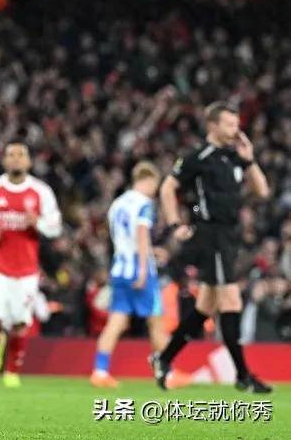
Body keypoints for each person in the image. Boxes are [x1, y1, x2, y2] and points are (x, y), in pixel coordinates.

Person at [150, 102, 272, 393]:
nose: (235, 130)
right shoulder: (198, 157)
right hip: (210, 234)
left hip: (230, 236)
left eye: (236, 124)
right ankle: (243, 375)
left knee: (205, 307)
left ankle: (163, 358)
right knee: (231, 301)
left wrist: (250, 159)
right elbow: (167, 187)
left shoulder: (234, 156)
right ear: (212, 125)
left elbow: (263, 191)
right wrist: (175, 224)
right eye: (229, 124)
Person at [0, 141, 62, 387]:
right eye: (11, 154)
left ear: (29, 161)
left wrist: (38, 223)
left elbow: (55, 226)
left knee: (21, 323)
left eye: (21, 154)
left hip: (27, 270)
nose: (16, 158)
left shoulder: (41, 192)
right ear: (4, 160)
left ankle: (12, 371)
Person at [90, 161, 189, 388]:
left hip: (119, 268)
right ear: (148, 180)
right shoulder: (144, 204)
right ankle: (168, 374)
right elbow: (141, 234)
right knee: (156, 322)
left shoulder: (117, 204)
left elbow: (121, 239)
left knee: (116, 322)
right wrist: (144, 268)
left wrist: (149, 252)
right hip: (139, 270)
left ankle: (100, 371)